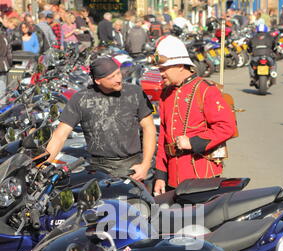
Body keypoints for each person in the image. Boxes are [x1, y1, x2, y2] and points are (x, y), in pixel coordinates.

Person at [45, 56, 156, 181]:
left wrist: (145, 165)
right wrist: (43, 166)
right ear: (98, 80)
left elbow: (149, 128)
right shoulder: (81, 99)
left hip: (133, 166)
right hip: (98, 169)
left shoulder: (135, 93)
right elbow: (60, 135)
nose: (118, 79)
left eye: (118, 73)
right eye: (111, 77)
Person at [152, 35, 236, 194]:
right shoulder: (166, 94)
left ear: (179, 65)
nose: (161, 73)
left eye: (164, 68)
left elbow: (227, 127)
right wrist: (161, 175)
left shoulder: (205, 90)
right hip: (172, 177)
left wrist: (193, 143)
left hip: (201, 176)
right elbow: (163, 137)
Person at [0, 32, 12, 104]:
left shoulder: (4, 37)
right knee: (2, 90)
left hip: (3, 65)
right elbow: (9, 54)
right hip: (3, 66)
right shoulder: (4, 37)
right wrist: (9, 64)